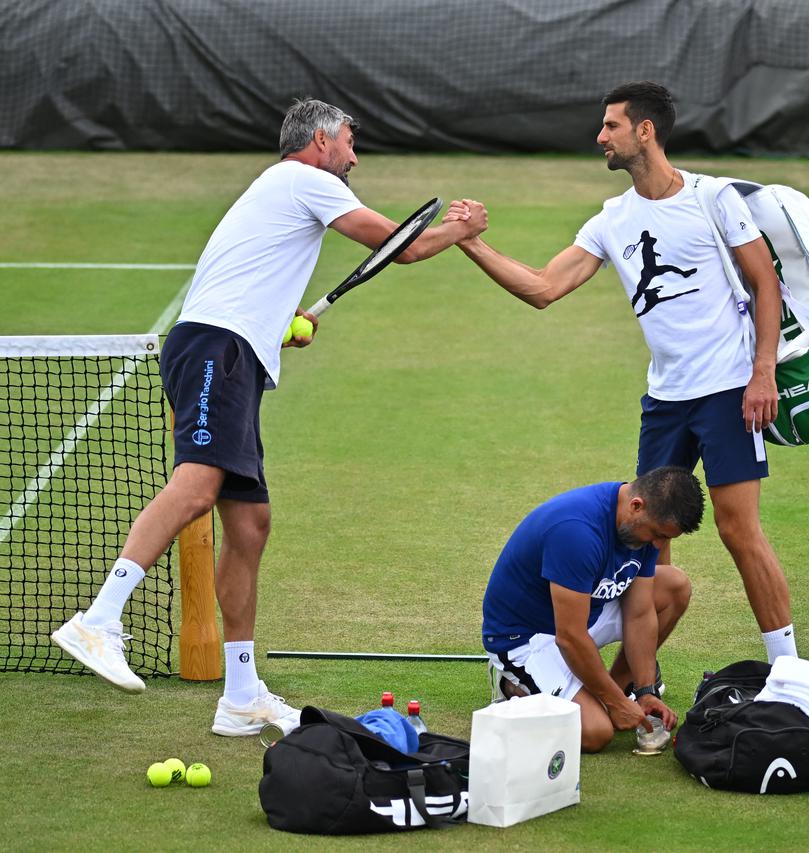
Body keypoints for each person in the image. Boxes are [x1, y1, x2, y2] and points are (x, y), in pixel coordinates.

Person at [51, 98, 487, 737]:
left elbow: (251, 280)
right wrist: (463, 229)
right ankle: (100, 618)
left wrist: (279, 328)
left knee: (249, 525)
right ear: (319, 140)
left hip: (235, 355)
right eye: (349, 145)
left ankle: (241, 693)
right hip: (212, 349)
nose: (354, 157)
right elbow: (402, 247)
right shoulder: (301, 178)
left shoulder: (286, 191)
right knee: (197, 485)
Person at [450, 80, 798, 663]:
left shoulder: (714, 198)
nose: (600, 136)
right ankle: (640, 682)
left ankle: (789, 671)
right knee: (651, 536)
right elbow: (543, 288)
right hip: (664, 399)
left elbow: (767, 283)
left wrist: (763, 372)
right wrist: (472, 243)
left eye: (611, 125)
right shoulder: (612, 218)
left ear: (646, 131)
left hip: (727, 389)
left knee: (739, 530)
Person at [482, 466, 702, 752]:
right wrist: (616, 703)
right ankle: (513, 685)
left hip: (582, 616)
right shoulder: (577, 532)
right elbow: (569, 637)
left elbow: (640, 612)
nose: (659, 545)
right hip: (525, 638)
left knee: (674, 586)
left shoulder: (641, 525)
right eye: (658, 534)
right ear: (637, 506)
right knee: (595, 733)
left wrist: (644, 691)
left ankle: (611, 691)